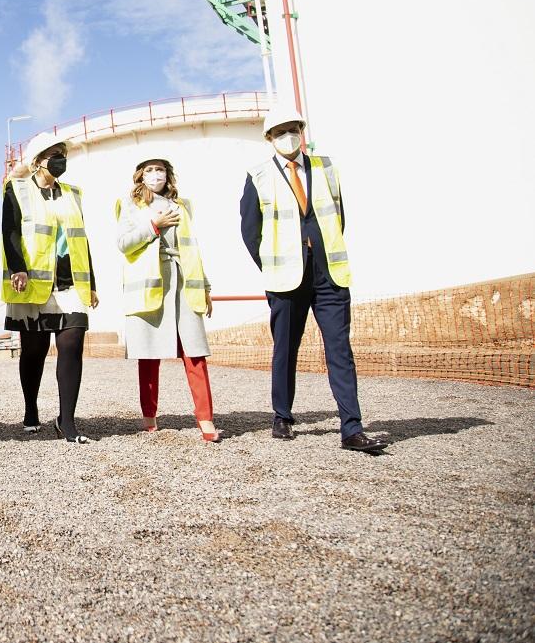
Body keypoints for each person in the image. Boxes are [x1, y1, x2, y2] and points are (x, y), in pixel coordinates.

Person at [240, 105, 390, 453]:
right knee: (285, 349)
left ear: (301, 132)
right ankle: (282, 415)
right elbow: (250, 230)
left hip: (328, 273)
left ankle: (352, 429)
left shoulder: (326, 167)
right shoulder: (258, 174)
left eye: (292, 129)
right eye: (279, 132)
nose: (287, 136)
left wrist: (321, 248)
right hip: (285, 277)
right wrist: (272, 264)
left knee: (340, 350)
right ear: (269, 138)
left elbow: (337, 215)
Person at [2, 132, 98, 443]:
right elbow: (10, 232)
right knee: (34, 350)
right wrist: (18, 267)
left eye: (62, 153)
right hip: (33, 282)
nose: (60, 159)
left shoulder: (74, 193)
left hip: (71, 284)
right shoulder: (17, 189)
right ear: (37, 160)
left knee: (72, 345)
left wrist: (92, 282)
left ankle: (66, 420)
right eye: (53, 153)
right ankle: (31, 409)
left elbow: (82, 241)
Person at [117, 157, 220, 442]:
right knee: (149, 356)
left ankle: (206, 418)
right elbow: (123, 243)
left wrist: (206, 287)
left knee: (195, 353)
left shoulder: (183, 206)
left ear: (168, 174)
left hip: (184, 282)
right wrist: (153, 226)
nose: (155, 174)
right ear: (140, 176)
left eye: (159, 169)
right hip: (150, 285)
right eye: (149, 170)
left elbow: (192, 248)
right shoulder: (129, 205)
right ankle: (149, 415)